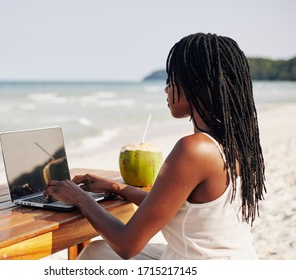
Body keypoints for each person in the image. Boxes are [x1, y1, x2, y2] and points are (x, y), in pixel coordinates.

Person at [45, 32, 266, 260]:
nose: (166, 89)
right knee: (96, 251)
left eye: (172, 80)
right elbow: (173, 206)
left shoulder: (193, 150)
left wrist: (80, 198)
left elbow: (126, 244)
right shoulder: (235, 141)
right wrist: (116, 188)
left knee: (93, 258)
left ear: (195, 85)